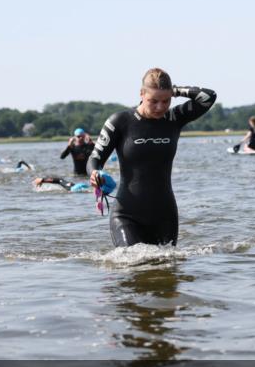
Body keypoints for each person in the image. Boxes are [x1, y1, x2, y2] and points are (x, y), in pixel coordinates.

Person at [87, 68, 216, 247]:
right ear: (141, 93)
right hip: (127, 214)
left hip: (165, 215)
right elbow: (95, 158)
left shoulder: (174, 118)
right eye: (153, 101)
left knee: (166, 268)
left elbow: (208, 97)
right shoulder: (120, 121)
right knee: (134, 263)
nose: (160, 107)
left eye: (166, 101)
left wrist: (176, 90)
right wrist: (94, 173)